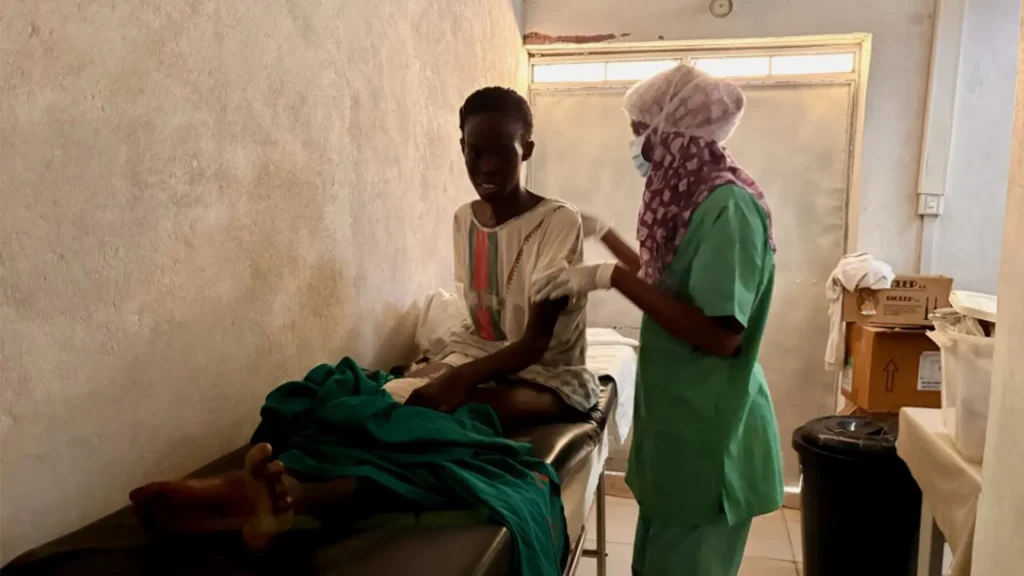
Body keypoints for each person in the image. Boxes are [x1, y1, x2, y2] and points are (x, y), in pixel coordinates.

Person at [127, 87, 597, 563]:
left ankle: (294, 493)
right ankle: (280, 485)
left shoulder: (559, 222)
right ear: (461, 149)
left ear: (528, 150)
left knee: (441, 417)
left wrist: (455, 378)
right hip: (480, 356)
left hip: (547, 375)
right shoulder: (464, 220)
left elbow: (534, 341)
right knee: (375, 398)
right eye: (474, 152)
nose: (487, 166)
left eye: (502, 152)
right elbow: (481, 326)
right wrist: (435, 368)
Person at [534, 64, 784, 576]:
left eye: (639, 130)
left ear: (672, 133)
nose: (636, 145)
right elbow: (663, 281)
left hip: (712, 431)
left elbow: (720, 336)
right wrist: (603, 235)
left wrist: (608, 277)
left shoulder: (729, 207)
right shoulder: (689, 198)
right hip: (679, 427)